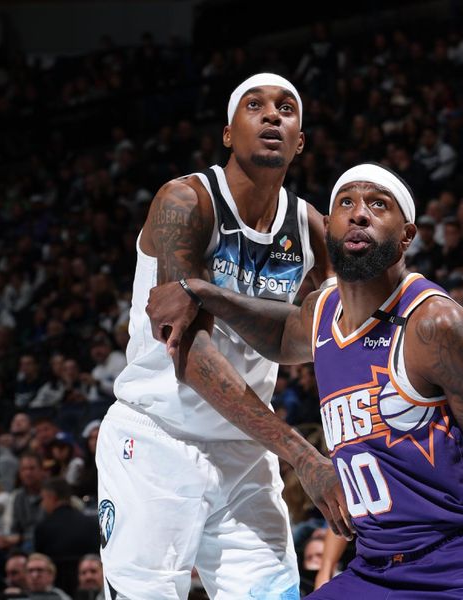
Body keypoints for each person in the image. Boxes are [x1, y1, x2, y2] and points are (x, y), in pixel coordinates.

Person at [147, 163, 463, 598]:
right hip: (376, 569)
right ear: (328, 228)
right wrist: (203, 291)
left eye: (377, 204)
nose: (359, 213)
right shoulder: (323, 313)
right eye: (346, 203)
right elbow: (280, 333)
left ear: (407, 236)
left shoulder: (435, 324)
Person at [95, 73, 351, 599]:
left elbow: (332, 337)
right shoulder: (185, 200)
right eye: (254, 105)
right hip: (156, 438)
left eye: (286, 108)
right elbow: (188, 353)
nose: (272, 115)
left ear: (300, 140)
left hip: (244, 451)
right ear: (229, 133)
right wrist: (304, 456)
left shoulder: (310, 227)